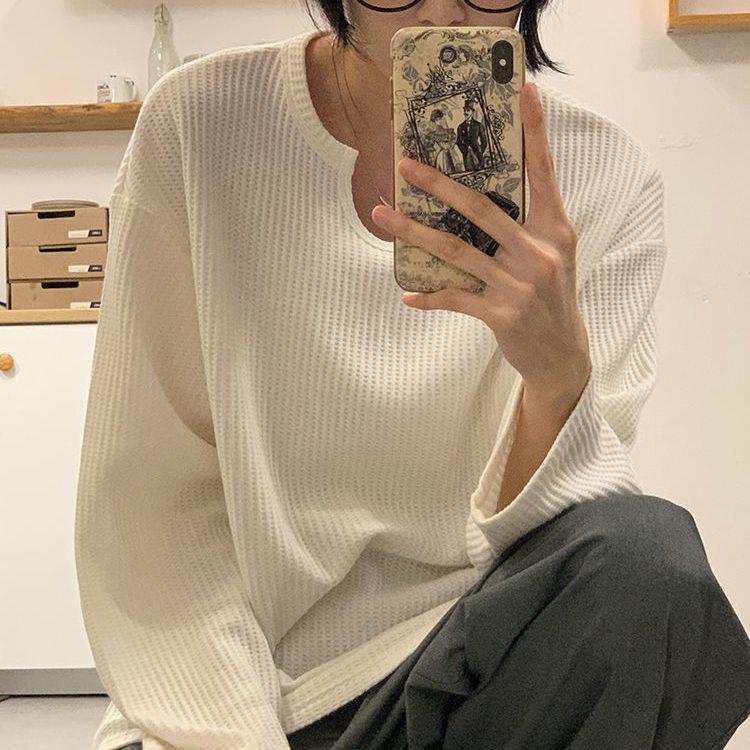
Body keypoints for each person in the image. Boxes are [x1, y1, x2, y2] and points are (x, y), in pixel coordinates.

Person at [74, 1, 750, 749]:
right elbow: (152, 513)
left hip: (478, 676)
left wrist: (557, 380)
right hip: (255, 692)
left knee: (649, 560)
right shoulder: (202, 124)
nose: (442, 8)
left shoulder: (606, 176)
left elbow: (559, 551)